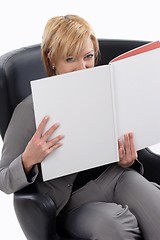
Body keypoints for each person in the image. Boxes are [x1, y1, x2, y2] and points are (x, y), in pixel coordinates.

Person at [0, 14, 160, 240]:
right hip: (73, 202)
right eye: (70, 59)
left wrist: (127, 160)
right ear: (52, 59)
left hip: (116, 177)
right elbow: (3, 179)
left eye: (88, 57)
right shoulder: (30, 109)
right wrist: (28, 159)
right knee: (116, 226)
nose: (82, 67)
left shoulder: (106, 93)